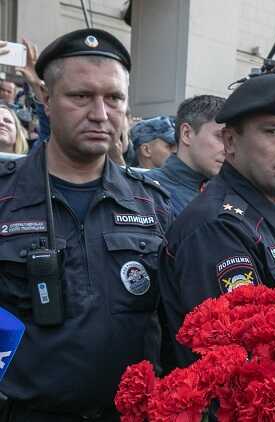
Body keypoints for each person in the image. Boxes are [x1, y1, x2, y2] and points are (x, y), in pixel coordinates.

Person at [0, 28, 172, 421]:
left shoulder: (153, 203)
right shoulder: (5, 200)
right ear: (45, 98)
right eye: (81, 96)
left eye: (114, 98)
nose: (100, 113)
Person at [158, 72, 275, 368]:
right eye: (274, 131)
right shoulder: (218, 229)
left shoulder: (266, 214)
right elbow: (236, 372)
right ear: (230, 142)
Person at [146, 95, 226, 215]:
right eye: (220, 136)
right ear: (187, 134)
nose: (228, 149)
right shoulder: (145, 191)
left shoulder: (227, 193)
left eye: (231, 140)